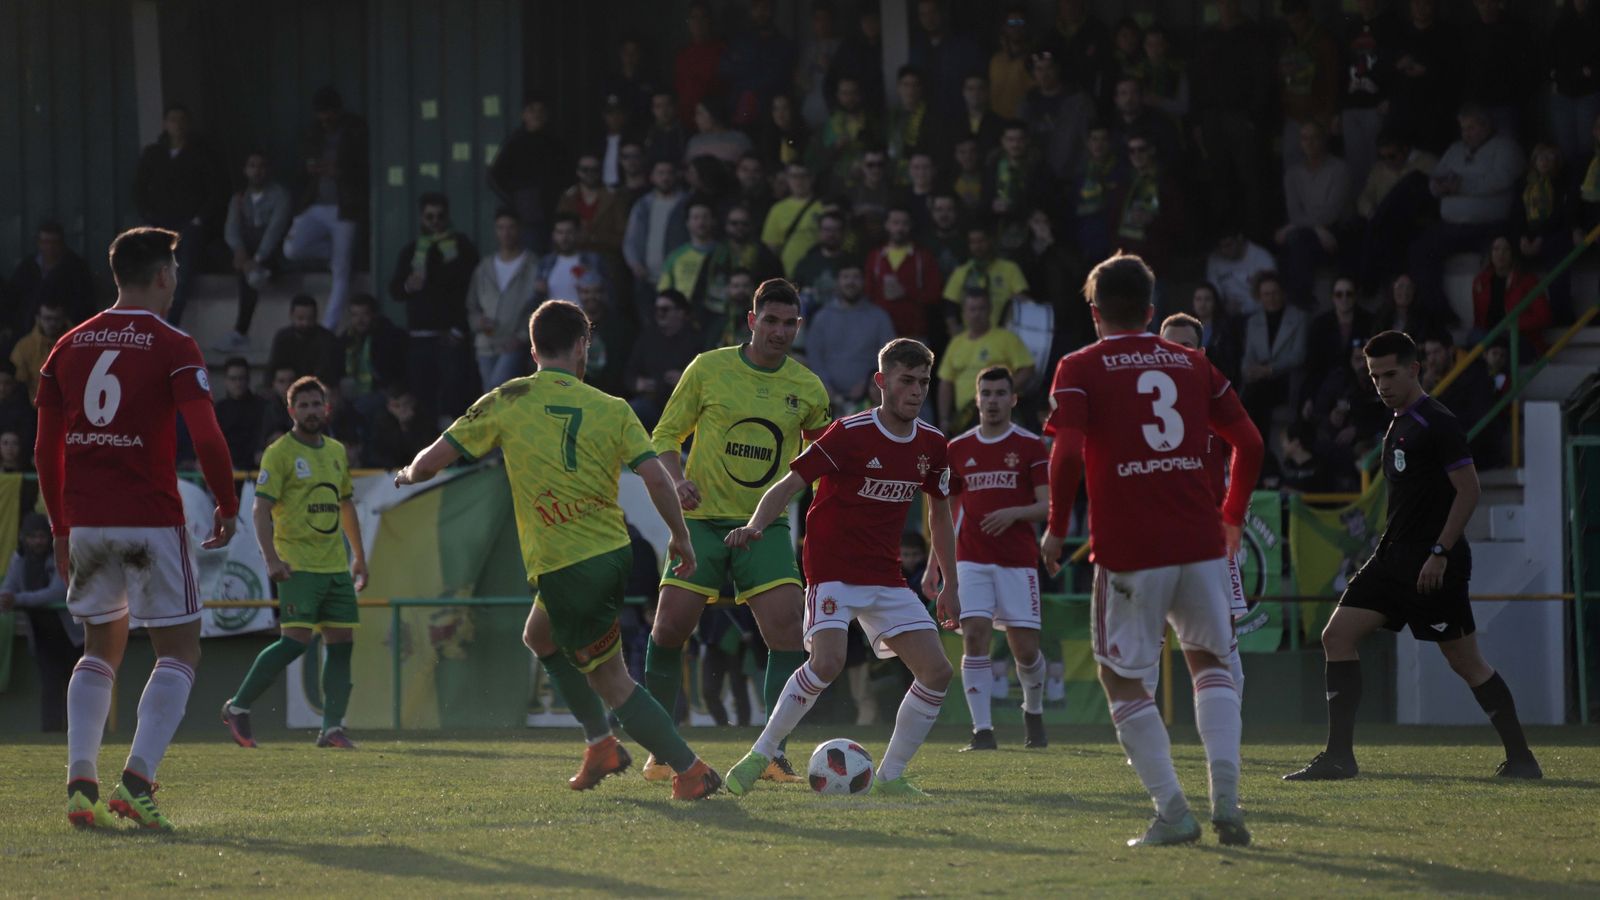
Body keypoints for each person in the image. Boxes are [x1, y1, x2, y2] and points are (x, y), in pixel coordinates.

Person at [396, 298, 724, 800]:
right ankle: (600, 744)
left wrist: (407, 473)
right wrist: (680, 538)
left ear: (531, 349)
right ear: (581, 347)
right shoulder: (613, 408)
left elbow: (430, 461)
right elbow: (657, 477)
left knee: (612, 680)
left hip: (567, 564)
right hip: (611, 552)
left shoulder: (508, 398)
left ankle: (689, 769)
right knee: (540, 636)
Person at [1039, 252, 1265, 847]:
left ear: (1094, 312)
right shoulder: (1193, 363)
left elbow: (1063, 455)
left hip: (1131, 549)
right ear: (1151, 308)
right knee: (1210, 662)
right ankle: (1228, 801)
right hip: (1201, 542)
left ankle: (1173, 811)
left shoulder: (1079, 365)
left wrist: (1058, 527)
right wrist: (1233, 516)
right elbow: (1249, 440)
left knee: (1120, 679)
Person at [39, 227, 239, 831]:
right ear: (162, 277)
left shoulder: (67, 346)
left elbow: (47, 451)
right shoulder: (174, 344)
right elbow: (205, 434)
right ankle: (137, 780)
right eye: (173, 270)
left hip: (88, 521)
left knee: (101, 648)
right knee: (179, 648)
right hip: (150, 519)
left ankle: (81, 783)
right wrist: (226, 502)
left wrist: (59, 527)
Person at [1284, 330, 1542, 782]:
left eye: (1389, 374)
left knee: (1465, 662)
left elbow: (1470, 489)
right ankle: (1339, 757)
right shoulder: (1397, 422)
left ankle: (1522, 758)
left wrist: (1440, 552)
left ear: (1414, 370)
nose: (1381, 384)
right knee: (1336, 636)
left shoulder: (1437, 422)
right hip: (1390, 560)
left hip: (1432, 566)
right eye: (1373, 375)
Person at [723, 338, 959, 798]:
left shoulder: (933, 444)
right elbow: (790, 483)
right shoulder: (849, 434)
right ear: (881, 382)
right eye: (905, 380)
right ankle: (760, 753)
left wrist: (947, 579)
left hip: (886, 577)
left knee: (937, 672)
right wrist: (755, 526)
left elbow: (940, 513)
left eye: (923, 382)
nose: (915, 391)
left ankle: (890, 777)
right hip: (832, 569)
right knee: (828, 661)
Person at [644, 279, 832, 784]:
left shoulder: (809, 389)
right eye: (769, 321)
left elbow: (824, 462)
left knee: (788, 633)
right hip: (702, 523)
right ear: (751, 321)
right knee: (668, 630)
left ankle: (773, 754)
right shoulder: (708, 368)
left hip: (766, 526)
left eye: (788, 323)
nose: (778, 331)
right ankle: (661, 752)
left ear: (798, 325)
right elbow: (664, 435)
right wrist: (678, 477)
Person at [222, 377, 367, 749]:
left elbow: (346, 504)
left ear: (327, 408)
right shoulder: (280, 453)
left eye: (316, 404)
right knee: (295, 641)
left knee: (342, 642)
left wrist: (359, 558)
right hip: (297, 565)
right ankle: (237, 706)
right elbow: (259, 508)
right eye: (302, 405)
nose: (310, 411)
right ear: (291, 412)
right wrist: (270, 558)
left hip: (335, 564)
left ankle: (331, 728)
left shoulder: (335, 451)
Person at [946, 366, 1049, 751]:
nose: (992, 400)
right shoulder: (958, 449)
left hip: (1017, 562)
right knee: (974, 636)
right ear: (976, 399)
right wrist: (936, 565)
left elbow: (1046, 506)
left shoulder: (1029, 445)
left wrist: (1014, 513)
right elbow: (948, 512)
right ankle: (982, 731)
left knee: (1025, 649)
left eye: (999, 393)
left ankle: (1033, 712)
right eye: (985, 393)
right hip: (970, 558)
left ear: (1013, 398)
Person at [1155, 313, 1251, 695]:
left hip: (1209, 535)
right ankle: (1141, 748)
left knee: (1222, 632)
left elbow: (1247, 450)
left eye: (1187, 346)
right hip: (1154, 533)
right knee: (1147, 633)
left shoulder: (1217, 400)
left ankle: (1231, 737)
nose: (1178, 353)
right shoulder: (1140, 405)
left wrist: (1233, 514)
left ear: (1202, 351)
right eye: (1169, 346)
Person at [1407, 106, 1526, 325]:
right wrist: (1439, 187)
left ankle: (1494, 319)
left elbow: (1499, 180)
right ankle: (1439, 314)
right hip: (1451, 226)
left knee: (1498, 256)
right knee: (1420, 250)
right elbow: (1436, 180)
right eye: (1463, 129)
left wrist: (1461, 184)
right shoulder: (1454, 150)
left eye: (1471, 128)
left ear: (1486, 126)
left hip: (1491, 225)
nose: (1466, 134)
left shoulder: (1507, 148)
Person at [388, 192, 479, 428]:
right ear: (422, 218)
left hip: (451, 335)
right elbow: (395, 290)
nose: (435, 222)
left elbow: (473, 289)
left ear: (447, 217)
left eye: (440, 216)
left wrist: (461, 329)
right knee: (423, 398)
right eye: (430, 217)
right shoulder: (413, 251)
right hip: (420, 337)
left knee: (455, 397)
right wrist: (409, 284)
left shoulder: (461, 247)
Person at [282, 87, 368, 331]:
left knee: (341, 271)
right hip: (316, 202)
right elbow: (299, 167)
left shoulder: (354, 130)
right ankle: (339, 252)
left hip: (346, 207)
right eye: (321, 114)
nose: (325, 119)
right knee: (292, 248)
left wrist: (341, 171)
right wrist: (311, 169)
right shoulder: (313, 133)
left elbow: (367, 166)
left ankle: (329, 326)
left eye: (329, 113)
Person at [132, 105, 223, 326]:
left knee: (180, 275)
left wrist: (199, 220)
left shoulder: (201, 155)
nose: (178, 125)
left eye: (182, 120)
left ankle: (170, 324)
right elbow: (138, 188)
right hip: (158, 224)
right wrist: (147, 217)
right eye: (173, 120)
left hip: (189, 224)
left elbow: (215, 190)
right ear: (165, 124)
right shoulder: (153, 154)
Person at [0, 513, 75, 732]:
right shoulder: (20, 558)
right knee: (50, 684)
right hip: (42, 634)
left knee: (75, 685)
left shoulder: (61, 556)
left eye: (42, 536)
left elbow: (56, 593)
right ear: (24, 538)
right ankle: (51, 734)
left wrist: (17, 600)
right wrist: (6, 597)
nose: (38, 542)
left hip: (71, 635)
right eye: (32, 537)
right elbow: (9, 586)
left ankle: (79, 733)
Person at [217, 151, 293, 353]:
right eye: (252, 166)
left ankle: (240, 331)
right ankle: (240, 332)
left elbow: (275, 230)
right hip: (247, 256)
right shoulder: (240, 198)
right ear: (245, 170)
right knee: (246, 274)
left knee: (250, 275)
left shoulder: (280, 195)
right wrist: (240, 252)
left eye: (261, 166)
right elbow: (231, 228)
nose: (257, 171)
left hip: (272, 254)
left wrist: (256, 259)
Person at [1276, 122, 1353, 307]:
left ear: (1323, 140)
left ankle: (1300, 300)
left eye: (1314, 138)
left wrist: (1303, 225)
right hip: (1311, 232)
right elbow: (1294, 213)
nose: (1309, 143)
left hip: (1336, 231)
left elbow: (1331, 212)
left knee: (1296, 237)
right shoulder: (1293, 173)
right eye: (1305, 138)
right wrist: (1316, 228)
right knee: (1295, 240)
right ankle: (1295, 300)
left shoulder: (1339, 169)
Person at [937, 288, 1034, 435]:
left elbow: (1027, 369)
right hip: (965, 417)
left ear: (990, 310)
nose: (977, 314)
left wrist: (1002, 392)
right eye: (972, 309)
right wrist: (944, 419)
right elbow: (946, 383)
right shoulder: (956, 343)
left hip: (999, 412)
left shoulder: (1006, 338)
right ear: (964, 313)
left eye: (982, 308)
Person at [806, 260, 897, 414]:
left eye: (856, 277)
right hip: (827, 401)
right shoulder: (821, 318)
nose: (851, 282)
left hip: (870, 403)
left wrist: (868, 383)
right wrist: (827, 388)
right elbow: (814, 358)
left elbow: (890, 358)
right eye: (845, 277)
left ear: (863, 282)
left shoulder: (880, 317)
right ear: (837, 282)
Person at [490, 95, 573, 255]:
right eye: (531, 110)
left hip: (556, 213)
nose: (536, 115)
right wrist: (517, 198)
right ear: (523, 115)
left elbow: (569, 176)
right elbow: (494, 176)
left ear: (547, 115)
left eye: (541, 110)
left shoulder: (556, 143)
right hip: (528, 216)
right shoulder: (515, 142)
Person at [467, 209, 538, 392]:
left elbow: (539, 306)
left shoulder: (532, 265)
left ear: (519, 229)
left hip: (514, 342)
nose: (506, 233)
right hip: (486, 343)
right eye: (501, 228)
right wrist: (478, 322)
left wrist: (522, 337)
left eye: (511, 227)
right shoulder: (485, 266)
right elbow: (472, 305)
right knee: (490, 397)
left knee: (497, 389)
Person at [1240, 271, 1309, 437]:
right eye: (1266, 294)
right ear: (1259, 296)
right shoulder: (1253, 321)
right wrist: (1249, 370)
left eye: (1274, 293)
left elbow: (1299, 355)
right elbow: (1248, 355)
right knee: (1254, 390)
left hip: (1285, 378)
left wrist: (1269, 369)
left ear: (1282, 293)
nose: (1271, 298)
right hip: (1260, 379)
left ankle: (1256, 444)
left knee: (1256, 394)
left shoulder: (1300, 317)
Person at [624, 289, 701, 429]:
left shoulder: (696, 341)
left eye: (665, 309)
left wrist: (685, 379)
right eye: (657, 309)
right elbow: (630, 373)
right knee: (632, 410)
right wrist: (638, 383)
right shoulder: (648, 338)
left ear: (681, 312)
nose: (660, 314)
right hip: (652, 403)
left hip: (684, 407)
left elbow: (706, 379)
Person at [864, 206, 943, 340]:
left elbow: (935, 294)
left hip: (914, 335)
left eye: (904, 223)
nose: (900, 228)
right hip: (880, 335)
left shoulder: (923, 257)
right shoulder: (875, 257)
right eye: (895, 223)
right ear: (887, 225)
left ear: (911, 226)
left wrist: (906, 291)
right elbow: (867, 295)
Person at [8, 221, 96, 335]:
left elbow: (85, 304)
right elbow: (12, 298)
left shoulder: (76, 268)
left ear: (62, 243)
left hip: (66, 333)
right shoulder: (27, 267)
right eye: (45, 242)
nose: (49, 246)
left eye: (54, 242)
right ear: (38, 243)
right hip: (27, 334)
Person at [1471, 236, 1550, 356]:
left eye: (1506, 249)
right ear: (1490, 253)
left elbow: (1544, 317)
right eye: (1496, 249)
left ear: (1513, 253)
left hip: (1518, 336)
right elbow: (1479, 321)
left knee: (1494, 346)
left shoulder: (1528, 281)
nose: (1500, 254)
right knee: (1474, 337)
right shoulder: (1481, 281)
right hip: (1489, 336)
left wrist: (1513, 325)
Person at [942, 226, 1029, 330]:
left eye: (981, 240)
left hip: (1004, 335)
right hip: (972, 338)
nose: (977, 246)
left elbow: (1023, 302)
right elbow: (950, 309)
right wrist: (956, 337)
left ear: (990, 241)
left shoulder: (1010, 268)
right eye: (973, 242)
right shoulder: (961, 272)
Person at [554, 154, 629, 259]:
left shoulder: (615, 198)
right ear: (578, 171)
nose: (589, 173)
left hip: (606, 260)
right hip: (573, 259)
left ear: (600, 171)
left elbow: (624, 235)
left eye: (594, 170)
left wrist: (594, 238)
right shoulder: (567, 198)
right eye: (585, 170)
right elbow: (558, 233)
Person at [267, 294, 343, 389]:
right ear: (291, 316)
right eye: (300, 318)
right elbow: (273, 370)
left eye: (310, 319)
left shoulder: (327, 340)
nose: (305, 323)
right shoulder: (283, 338)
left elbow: (326, 374)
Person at [762, 163, 825, 277]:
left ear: (812, 178)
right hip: (787, 275)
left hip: (818, 273)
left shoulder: (823, 206)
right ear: (787, 179)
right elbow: (772, 246)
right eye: (794, 176)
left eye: (803, 176)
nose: (799, 181)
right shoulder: (777, 209)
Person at [675, 2, 726, 129]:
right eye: (694, 17)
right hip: (685, 123)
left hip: (712, 123)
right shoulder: (682, 56)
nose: (698, 22)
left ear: (710, 21)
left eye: (703, 17)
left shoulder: (722, 51)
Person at [1205, 230, 1277, 318]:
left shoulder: (1263, 259)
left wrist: (1243, 308)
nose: (1224, 251)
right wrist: (1222, 306)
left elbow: (1273, 299)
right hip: (1226, 314)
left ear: (1239, 238)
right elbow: (1213, 291)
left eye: (1228, 245)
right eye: (1220, 247)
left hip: (1258, 314)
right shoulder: (1215, 260)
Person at [11, 300, 71, 403]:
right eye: (47, 318)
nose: (52, 323)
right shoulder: (24, 347)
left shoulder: (76, 342)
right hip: (34, 409)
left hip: (67, 407)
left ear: (64, 319)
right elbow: (18, 384)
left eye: (57, 319)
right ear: (38, 318)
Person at [216, 358, 266, 467]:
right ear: (226, 380)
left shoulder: (262, 406)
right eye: (233, 379)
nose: (238, 383)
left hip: (256, 467)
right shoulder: (218, 410)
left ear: (248, 380)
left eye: (241, 378)